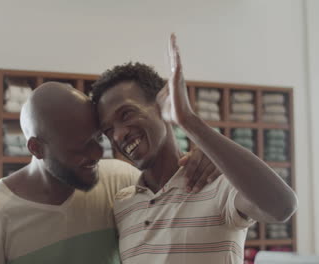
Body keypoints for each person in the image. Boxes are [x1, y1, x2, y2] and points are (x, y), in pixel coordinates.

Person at [0, 82, 221, 264]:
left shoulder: (118, 181)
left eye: (97, 138)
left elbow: (173, 195)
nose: (97, 153)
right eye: (80, 148)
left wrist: (209, 158)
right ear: (37, 148)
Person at [91, 34, 298, 264]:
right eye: (109, 130)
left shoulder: (215, 183)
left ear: (161, 105)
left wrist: (188, 120)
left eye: (127, 114)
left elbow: (282, 207)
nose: (119, 135)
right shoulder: (122, 204)